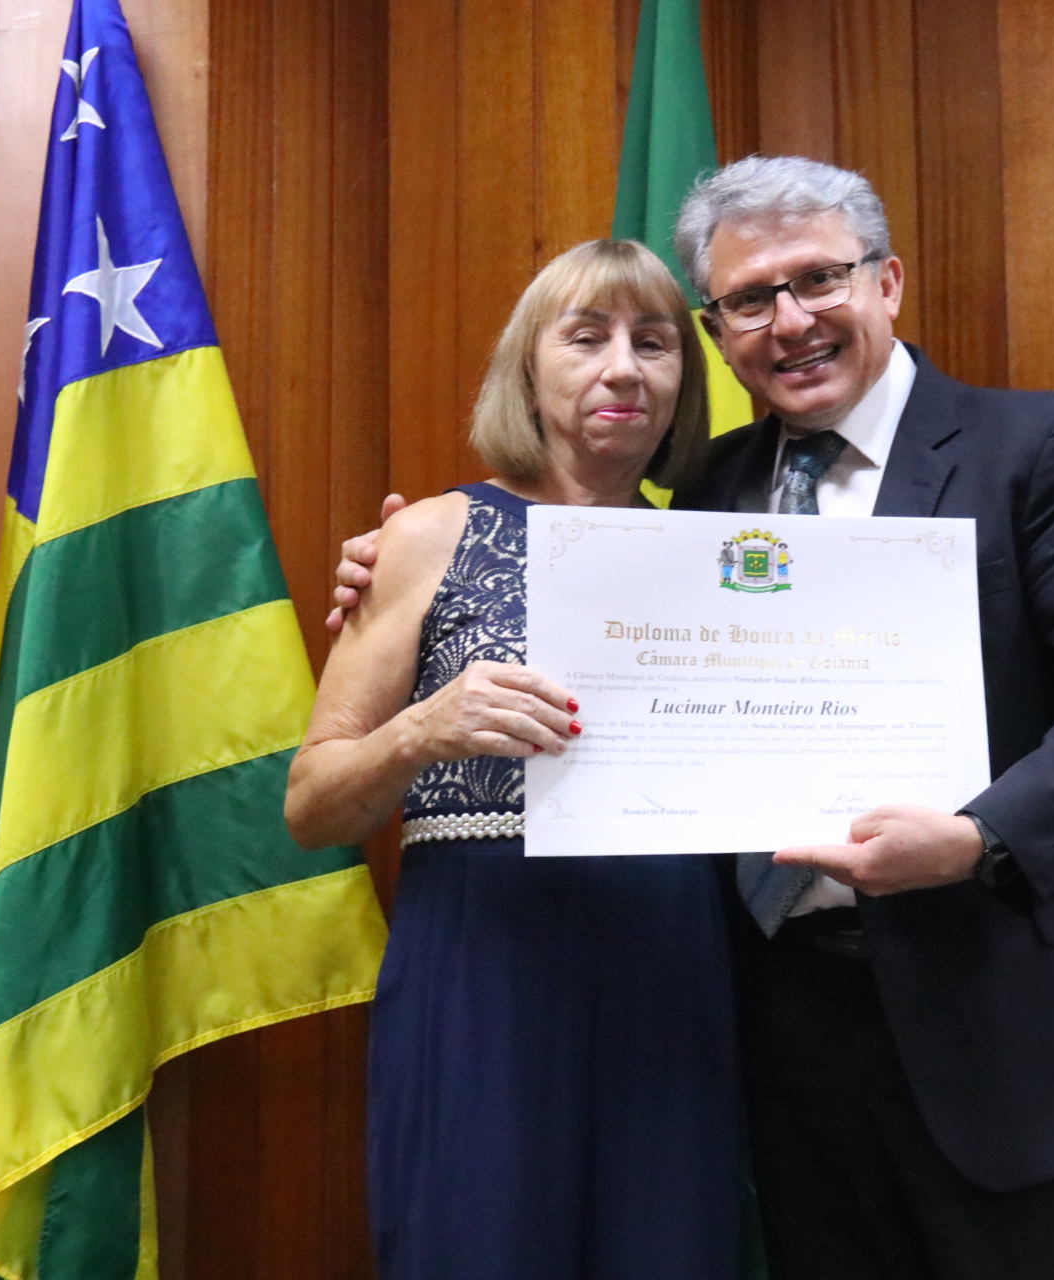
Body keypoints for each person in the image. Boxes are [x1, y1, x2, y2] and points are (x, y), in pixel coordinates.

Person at [331, 158, 1054, 1280]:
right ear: (719, 333)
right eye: (750, 299)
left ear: (887, 281)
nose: (790, 321)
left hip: (1005, 1034)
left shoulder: (1032, 446)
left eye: (818, 279)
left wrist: (980, 835)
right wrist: (395, 573)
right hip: (778, 1048)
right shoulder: (699, 495)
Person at [284, 239, 737, 1280]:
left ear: (684, 379)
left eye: (655, 342)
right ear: (528, 370)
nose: (623, 368)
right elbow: (311, 806)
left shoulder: (716, 555)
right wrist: (422, 729)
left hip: (671, 959)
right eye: (586, 338)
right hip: (482, 958)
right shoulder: (429, 535)